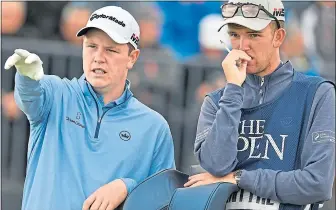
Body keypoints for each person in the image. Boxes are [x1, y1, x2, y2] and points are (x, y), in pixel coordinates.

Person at [4, 6, 175, 210]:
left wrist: (127, 186)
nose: (98, 57)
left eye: (111, 49)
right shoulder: (57, 93)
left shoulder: (154, 127)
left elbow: (165, 196)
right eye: (91, 46)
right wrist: (26, 78)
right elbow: (29, 97)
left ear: (132, 57)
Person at [184, 0, 335, 209]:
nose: (243, 46)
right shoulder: (217, 100)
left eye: (254, 35)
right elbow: (217, 166)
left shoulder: (318, 93)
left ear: (278, 37)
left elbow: (317, 184)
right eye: (235, 35)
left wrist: (239, 178)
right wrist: (233, 89)